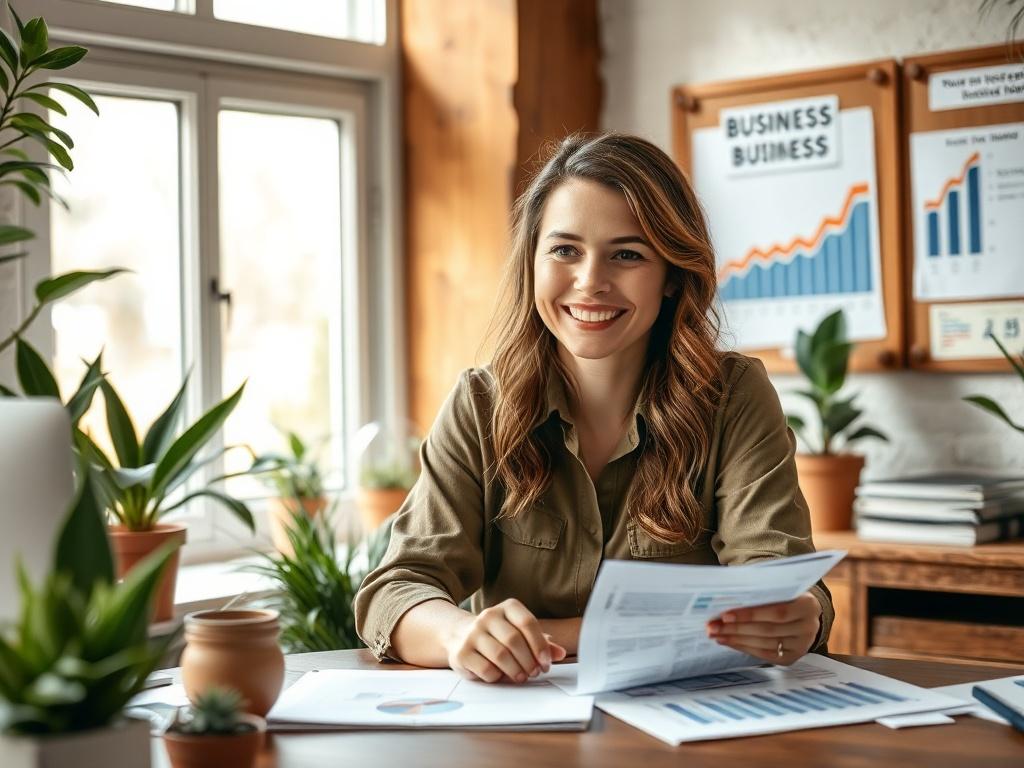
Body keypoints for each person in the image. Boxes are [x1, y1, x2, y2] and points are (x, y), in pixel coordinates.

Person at [354, 132, 833, 684]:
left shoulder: (734, 396)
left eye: (627, 254)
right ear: (532, 262)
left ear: (673, 275)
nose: (590, 283)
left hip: (690, 726)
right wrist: (461, 635)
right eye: (564, 250)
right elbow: (395, 590)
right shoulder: (480, 405)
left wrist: (799, 614)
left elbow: (777, 579)